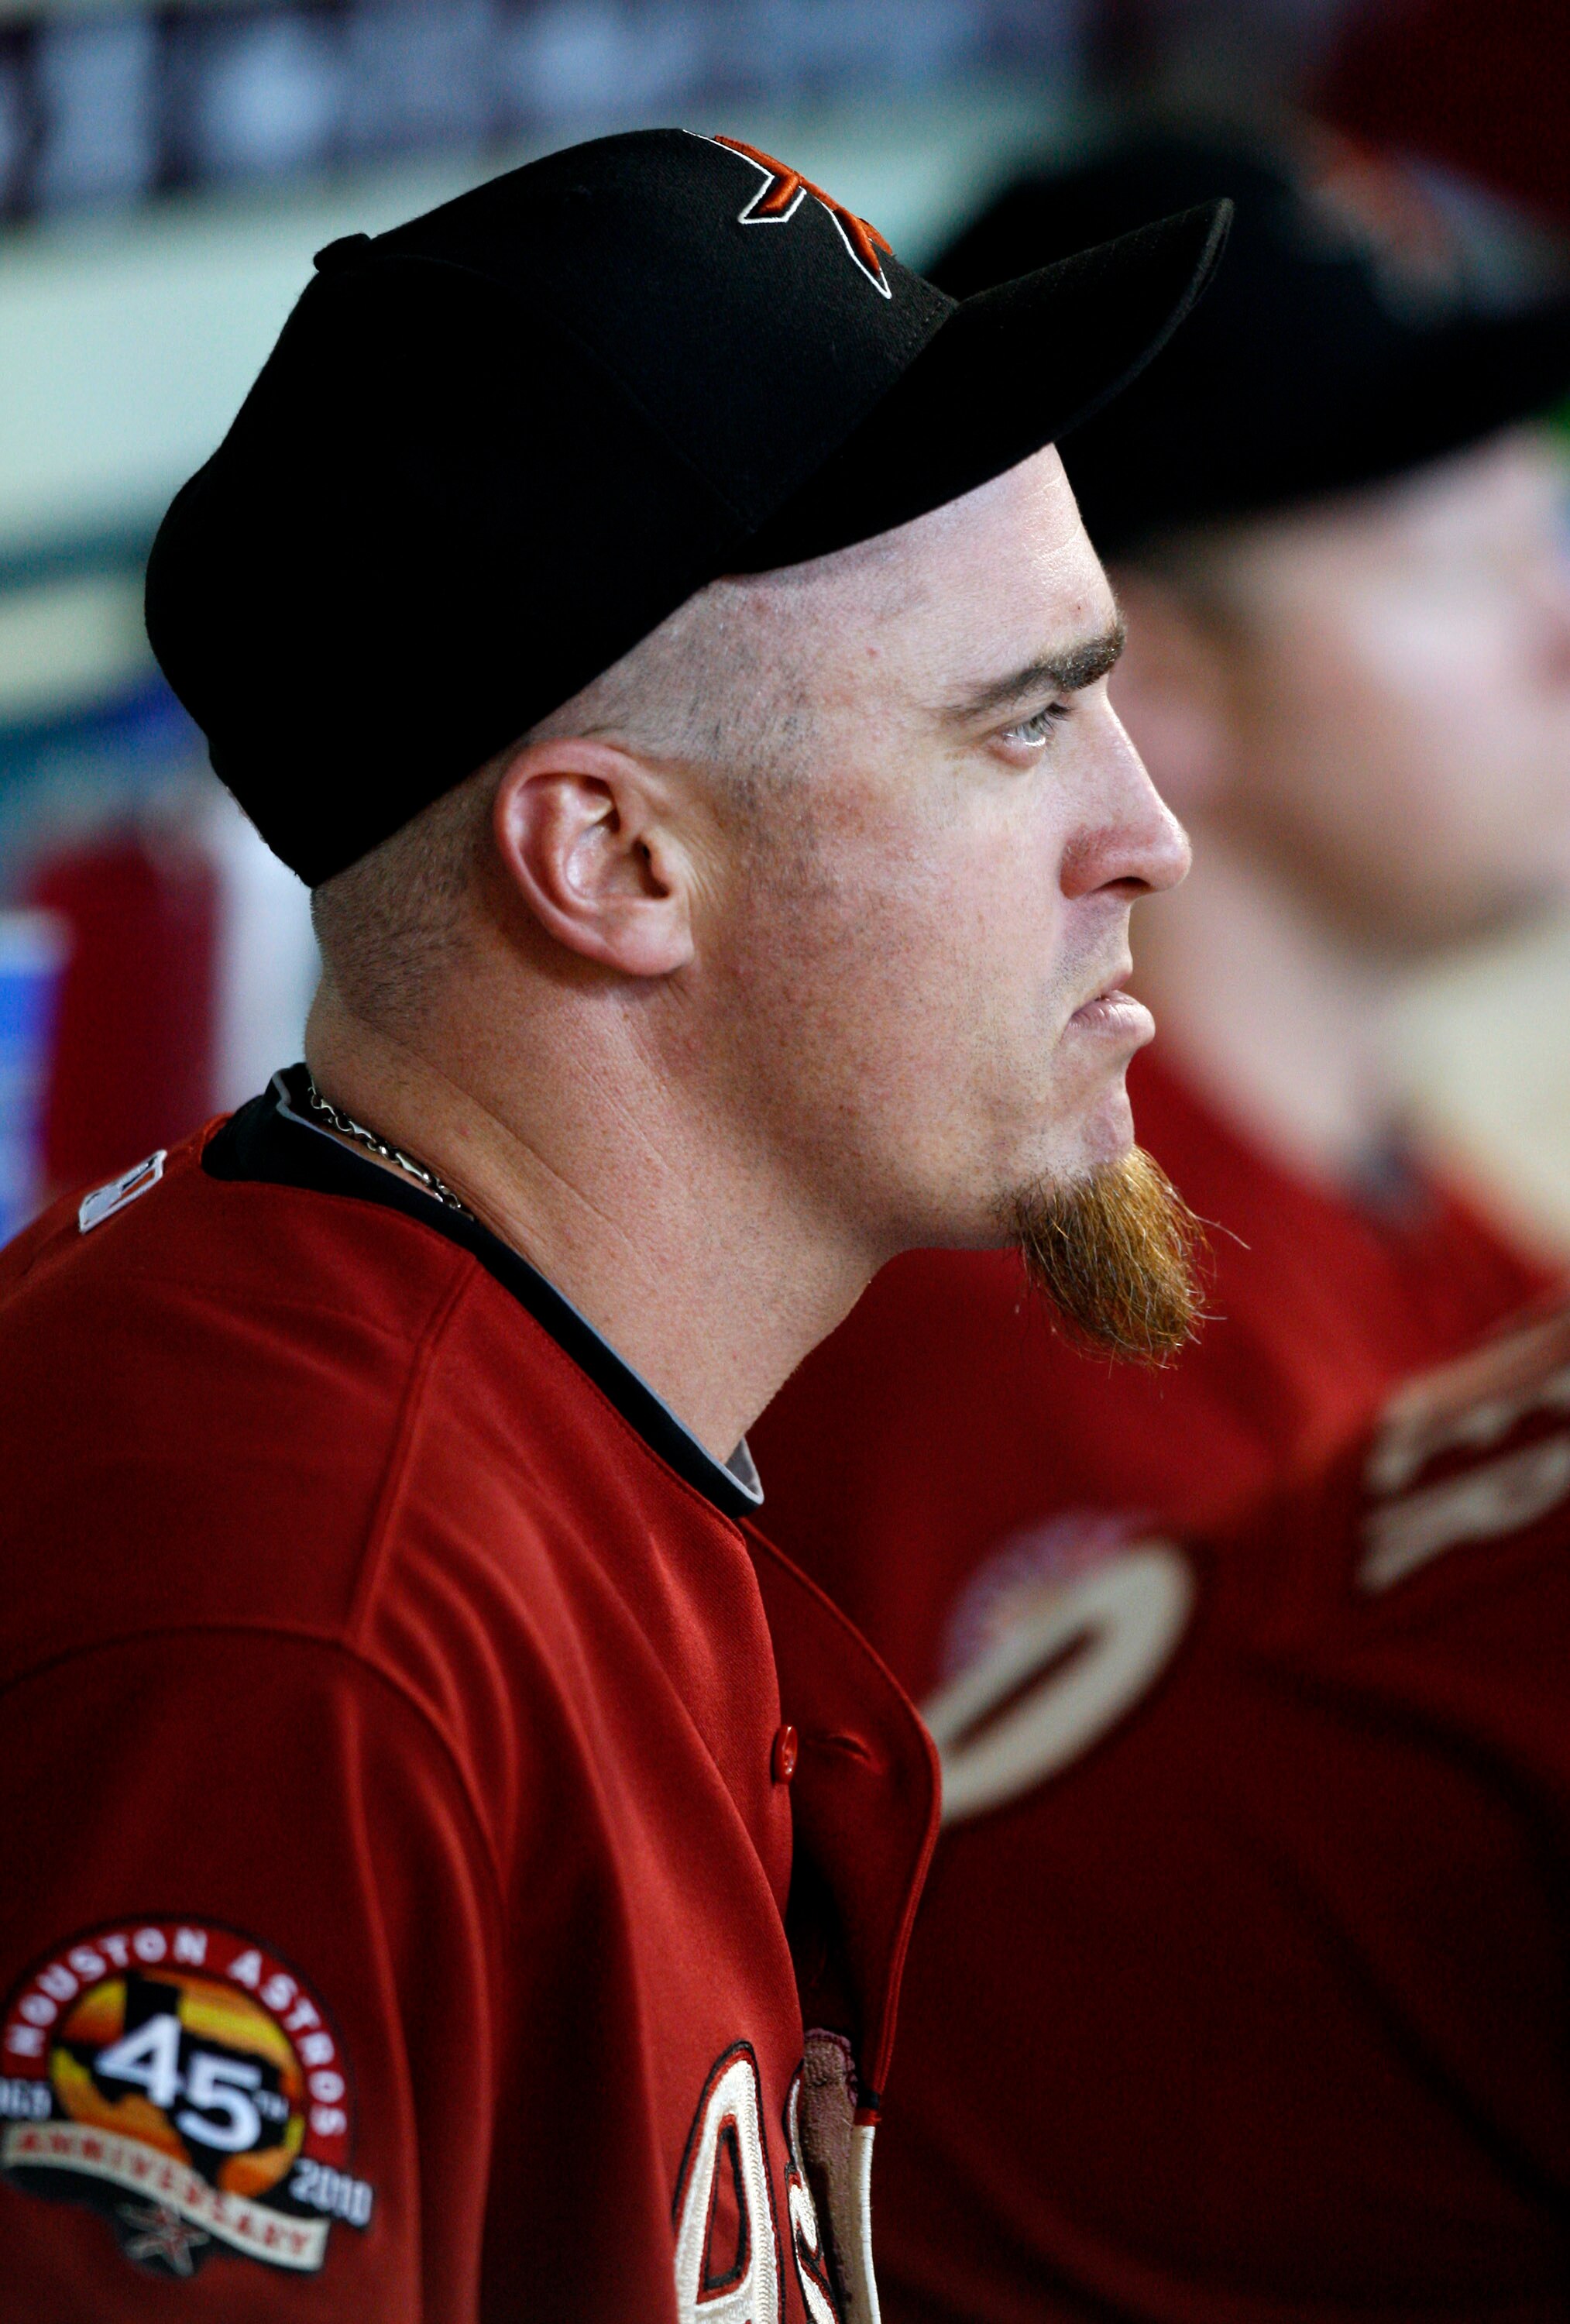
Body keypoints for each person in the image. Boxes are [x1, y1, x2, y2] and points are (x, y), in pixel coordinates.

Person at [0, 129, 1228, 2321]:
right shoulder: (291, 1641)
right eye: (1020, 723)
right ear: (614, 865)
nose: (1145, 835)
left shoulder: (498, 1412)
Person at [751, 129, 1570, 2321]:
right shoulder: (1038, 1319)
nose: (1563, 627)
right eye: (1446, 549)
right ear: (1156, 678)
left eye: (1544, 521)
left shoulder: (1417, 1225)